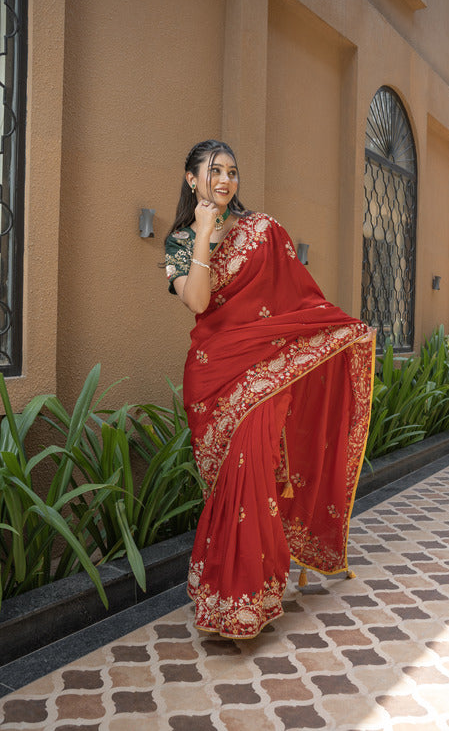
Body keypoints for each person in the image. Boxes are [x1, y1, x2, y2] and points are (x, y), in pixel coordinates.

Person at [164, 139, 375, 639]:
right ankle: (222, 591)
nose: (225, 180)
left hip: (265, 373)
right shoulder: (177, 243)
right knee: (226, 484)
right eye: (214, 171)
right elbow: (196, 302)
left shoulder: (263, 230)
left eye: (232, 171)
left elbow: (297, 298)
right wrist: (203, 236)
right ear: (191, 178)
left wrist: (341, 328)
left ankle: (245, 599)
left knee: (253, 472)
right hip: (212, 377)